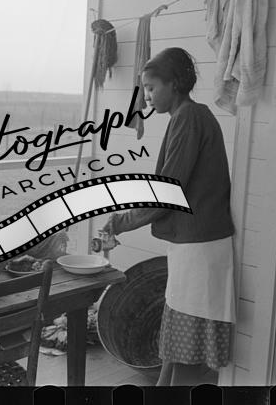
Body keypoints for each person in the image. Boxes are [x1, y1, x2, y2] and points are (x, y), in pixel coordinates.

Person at [103, 47, 236, 386]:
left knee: (188, 351)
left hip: (200, 248)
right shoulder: (186, 117)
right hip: (193, 244)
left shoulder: (190, 118)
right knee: (177, 344)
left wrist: (119, 222)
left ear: (174, 83)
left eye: (151, 87)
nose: (146, 96)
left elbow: (166, 193)